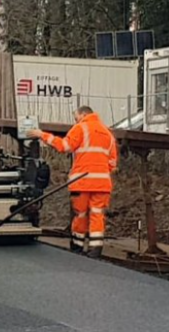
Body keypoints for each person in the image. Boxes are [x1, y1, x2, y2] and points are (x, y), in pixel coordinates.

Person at [27, 106, 117, 258]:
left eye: (76, 117)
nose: (75, 120)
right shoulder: (107, 133)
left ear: (83, 114)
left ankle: (77, 247)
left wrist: (41, 135)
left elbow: (64, 146)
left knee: (80, 214)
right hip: (102, 183)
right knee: (97, 215)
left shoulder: (80, 128)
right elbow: (113, 163)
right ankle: (95, 250)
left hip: (81, 181)